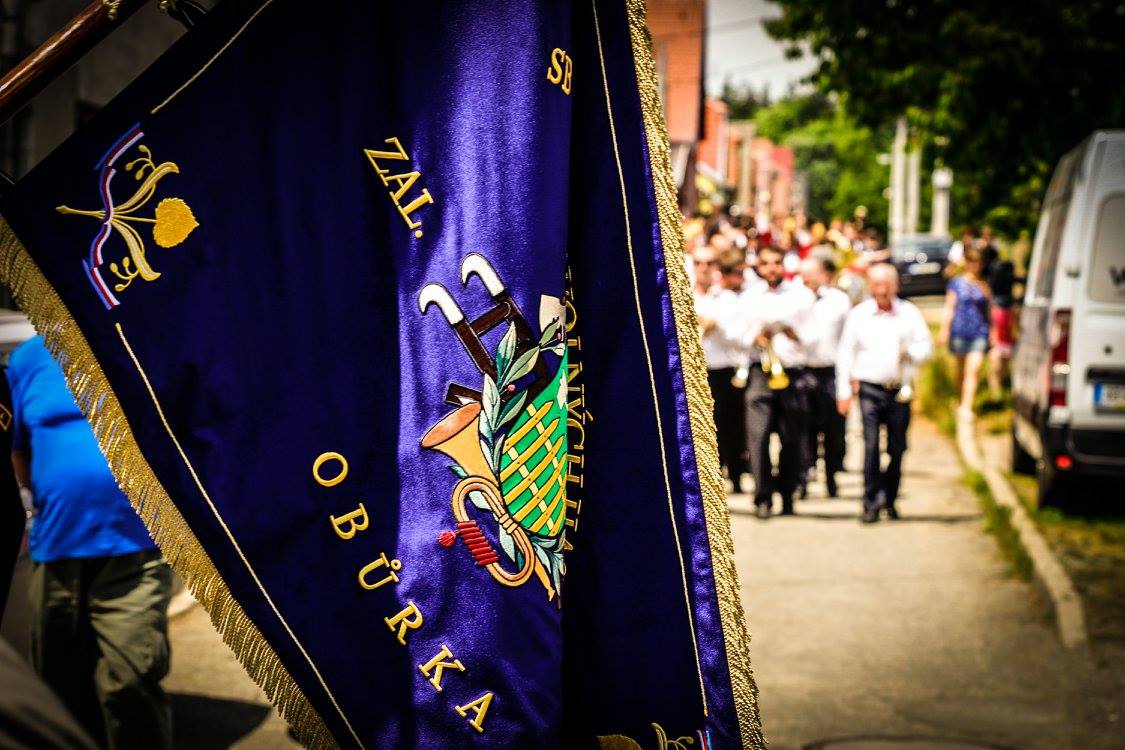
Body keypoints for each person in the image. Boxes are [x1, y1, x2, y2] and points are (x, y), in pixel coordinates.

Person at [7, 335, 173, 750]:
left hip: (135, 549)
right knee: (60, 690)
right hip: (56, 550)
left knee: (131, 683)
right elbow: (19, 450)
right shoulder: (28, 359)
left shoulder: (135, 340)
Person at [836, 264, 932, 523]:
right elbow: (845, 352)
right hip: (869, 388)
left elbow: (926, 346)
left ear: (895, 286)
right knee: (870, 447)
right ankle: (870, 501)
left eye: (886, 285)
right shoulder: (859, 314)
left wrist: (910, 353)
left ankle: (890, 497)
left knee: (897, 447)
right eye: (876, 285)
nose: (881, 290)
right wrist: (844, 390)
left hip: (899, 389)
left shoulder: (909, 313)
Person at [735, 244, 818, 518]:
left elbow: (815, 336)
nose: (772, 268)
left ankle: (788, 492)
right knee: (757, 437)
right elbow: (737, 334)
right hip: (761, 371)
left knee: (791, 438)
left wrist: (795, 335)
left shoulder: (801, 296)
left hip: (791, 372)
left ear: (784, 265)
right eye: (766, 263)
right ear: (759, 267)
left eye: (777, 262)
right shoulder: (748, 297)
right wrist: (754, 339)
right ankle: (762, 497)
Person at [695, 248, 747, 494]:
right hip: (696, 371)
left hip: (723, 369)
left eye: (709, 263)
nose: (704, 267)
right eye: (699, 262)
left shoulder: (726, 299)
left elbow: (739, 337)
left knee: (729, 427)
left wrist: (718, 327)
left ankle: (735, 474)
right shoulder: (684, 296)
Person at [800, 256, 851, 497]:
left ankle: (831, 476)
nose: (805, 278)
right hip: (802, 369)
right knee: (803, 426)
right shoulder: (796, 300)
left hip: (830, 370)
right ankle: (803, 476)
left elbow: (847, 341)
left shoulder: (839, 301)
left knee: (832, 429)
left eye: (810, 273)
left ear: (822, 274)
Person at [938, 246, 992, 420]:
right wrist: (944, 330)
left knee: (973, 370)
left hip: (979, 332)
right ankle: (960, 399)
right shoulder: (956, 283)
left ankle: (967, 407)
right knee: (961, 371)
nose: (974, 265)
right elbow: (950, 307)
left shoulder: (983, 284)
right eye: (971, 262)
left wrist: (994, 332)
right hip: (960, 330)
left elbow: (989, 311)